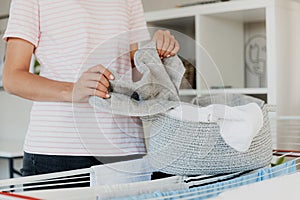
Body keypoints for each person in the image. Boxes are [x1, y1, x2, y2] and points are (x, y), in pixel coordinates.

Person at [2, 0, 179, 184]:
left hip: (125, 150)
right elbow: (12, 78)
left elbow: (131, 72)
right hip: (57, 151)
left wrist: (154, 54)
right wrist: (72, 90)